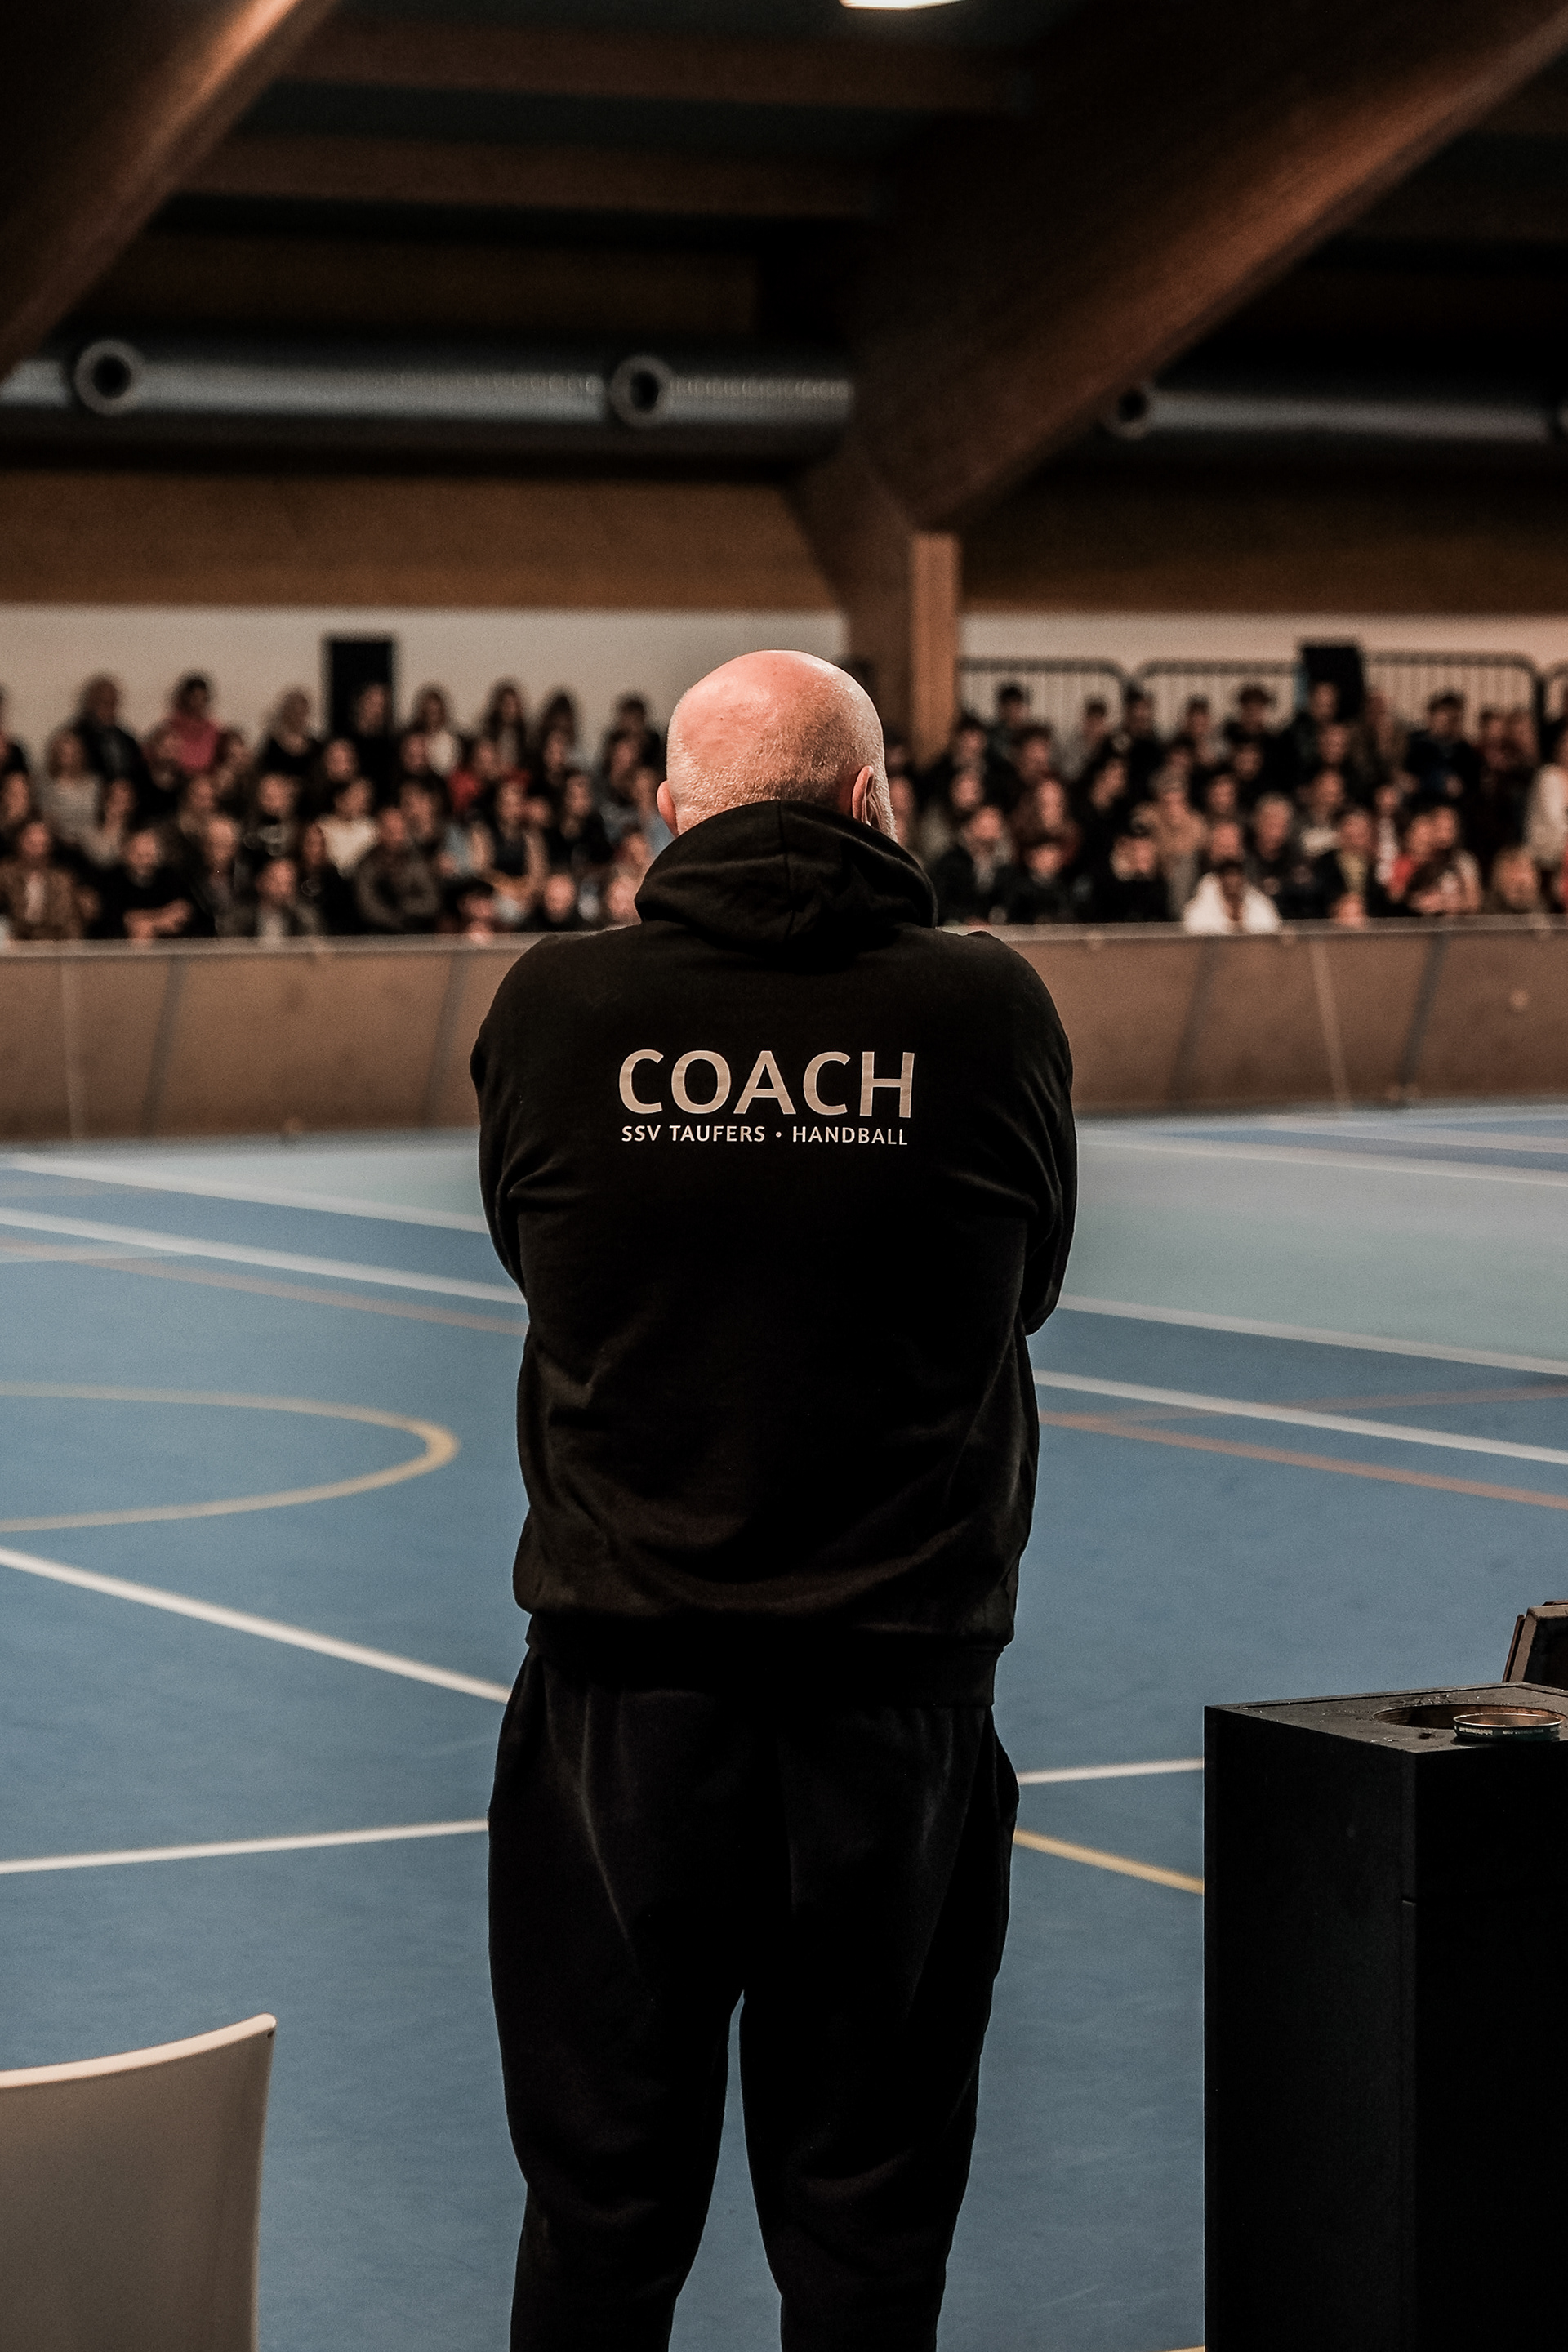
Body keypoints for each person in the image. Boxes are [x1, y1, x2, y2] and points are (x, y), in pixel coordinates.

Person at [471, 647, 1075, 2352]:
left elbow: (540, 1262)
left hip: (624, 1709)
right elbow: (1025, 1291)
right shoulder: (988, 1011)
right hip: (897, 1707)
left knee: (599, 2222)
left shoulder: (558, 1008)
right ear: (873, 801)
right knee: (868, 2228)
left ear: (671, 810)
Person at [354, 804, 441, 933]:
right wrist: (393, 919)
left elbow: (432, 901)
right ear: (380, 832)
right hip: (378, 933)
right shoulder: (367, 864)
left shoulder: (416, 860)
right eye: (390, 831)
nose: (396, 837)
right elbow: (367, 905)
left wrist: (404, 907)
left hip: (416, 929)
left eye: (400, 830)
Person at [930, 801, 1018, 925]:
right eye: (984, 821)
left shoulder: (1005, 868)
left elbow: (1010, 904)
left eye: (995, 821)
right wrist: (966, 920)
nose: (991, 825)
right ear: (969, 826)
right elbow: (940, 902)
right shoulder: (950, 864)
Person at [0, 817, 82, 941]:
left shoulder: (61, 880)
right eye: (31, 844)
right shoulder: (5, 875)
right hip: (14, 944)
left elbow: (71, 924)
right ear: (19, 843)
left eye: (42, 844)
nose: (37, 851)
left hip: (53, 946)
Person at [1183, 858, 1282, 933]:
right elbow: (1194, 931)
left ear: (1244, 879)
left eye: (1236, 876)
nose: (1232, 881)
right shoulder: (1200, 908)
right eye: (1228, 876)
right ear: (1219, 879)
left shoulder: (1259, 904)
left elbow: (1272, 930)